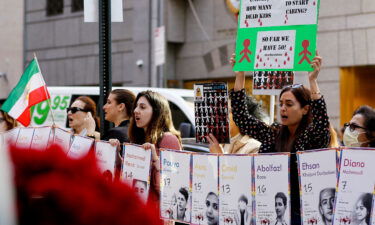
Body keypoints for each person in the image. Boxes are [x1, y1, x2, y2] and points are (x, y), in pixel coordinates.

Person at [231, 52, 330, 225]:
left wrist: (312, 81)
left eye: (289, 104)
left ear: (305, 109)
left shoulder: (311, 136)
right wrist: (240, 74)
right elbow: (242, 118)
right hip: (266, 211)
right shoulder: (274, 133)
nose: (283, 109)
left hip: (300, 215)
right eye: (281, 104)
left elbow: (322, 124)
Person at [128, 90, 182, 200]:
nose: (136, 111)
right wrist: (117, 160)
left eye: (142, 107)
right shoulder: (138, 138)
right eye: (136, 107)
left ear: (157, 112)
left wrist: (155, 160)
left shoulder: (168, 139)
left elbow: (171, 187)